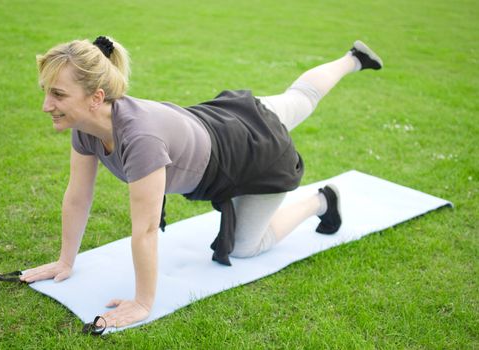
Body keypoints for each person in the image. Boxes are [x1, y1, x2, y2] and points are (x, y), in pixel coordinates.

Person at [20, 36, 383, 329]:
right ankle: (353, 57)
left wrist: (143, 302)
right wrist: (65, 261)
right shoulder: (87, 127)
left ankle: (320, 201)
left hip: (249, 156)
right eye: (47, 92)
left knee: (245, 247)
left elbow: (145, 229)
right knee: (297, 99)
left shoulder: (140, 139)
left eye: (58, 95)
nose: (46, 105)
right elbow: (77, 197)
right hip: (227, 121)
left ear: (96, 97)